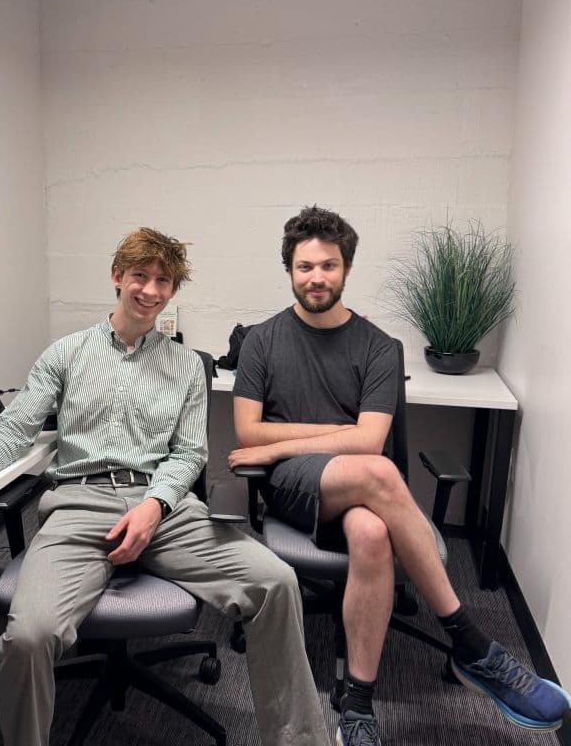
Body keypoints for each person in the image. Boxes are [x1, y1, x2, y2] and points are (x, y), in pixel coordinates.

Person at [0, 227, 330, 746]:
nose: (150, 290)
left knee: (277, 581)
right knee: (28, 638)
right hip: (79, 506)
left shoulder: (186, 367)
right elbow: (13, 431)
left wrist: (155, 505)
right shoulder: (65, 354)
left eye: (163, 281)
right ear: (116, 276)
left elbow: (189, 454)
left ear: (173, 290)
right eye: (140, 276)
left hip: (165, 510)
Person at [228, 207, 570, 746]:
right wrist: (318, 439)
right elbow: (248, 432)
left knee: (371, 530)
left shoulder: (379, 347)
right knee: (381, 472)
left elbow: (367, 442)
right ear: (289, 270)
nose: (316, 278)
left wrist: (282, 441)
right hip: (293, 486)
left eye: (328, 266)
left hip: (358, 481)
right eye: (305, 267)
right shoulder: (261, 341)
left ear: (346, 268)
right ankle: (469, 641)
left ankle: (357, 705)